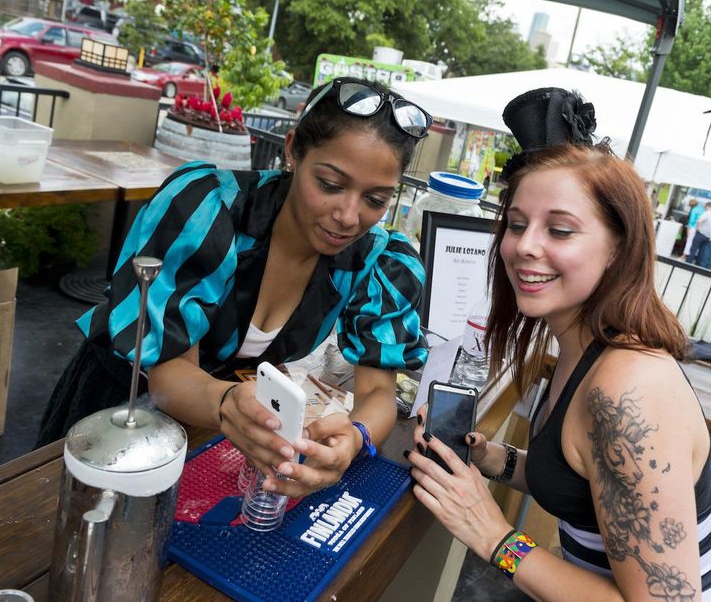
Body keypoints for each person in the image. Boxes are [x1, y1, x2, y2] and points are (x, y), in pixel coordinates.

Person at [406, 88, 711, 601]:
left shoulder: (628, 391)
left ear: (618, 249)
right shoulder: (581, 350)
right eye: (516, 225)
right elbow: (585, 481)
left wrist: (495, 536)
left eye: (560, 230)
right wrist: (492, 458)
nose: (524, 246)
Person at [37, 77, 433, 498]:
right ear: (293, 149)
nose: (349, 216)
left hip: (219, 428)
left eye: (375, 199)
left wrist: (355, 439)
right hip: (121, 405)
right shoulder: (207, 209)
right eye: (331, 185)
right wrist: (229, 405)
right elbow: (168, 377)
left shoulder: (380, 262)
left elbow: (377, 393)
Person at [687, 201, 711, 268]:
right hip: (709, 235)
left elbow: (699, 221)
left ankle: (688, 263)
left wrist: (698, 229)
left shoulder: (707, 213)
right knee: (702, 251)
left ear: (707, 206)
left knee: (693, 249)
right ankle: (698, 265)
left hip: (701, 233)